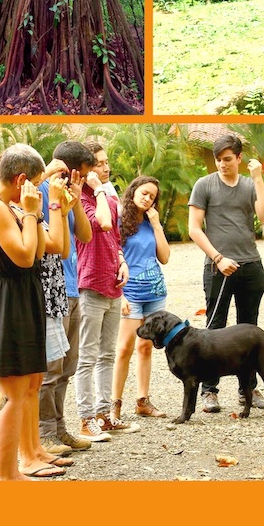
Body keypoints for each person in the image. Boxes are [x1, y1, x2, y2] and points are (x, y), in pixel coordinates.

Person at [0, 143, 66, 479]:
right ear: (20, 180)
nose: (38, 191)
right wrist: (32, 212)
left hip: (28, 299)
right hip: (9, 304)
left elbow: (48, 249)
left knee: (31, 384)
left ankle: (32, 452)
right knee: (12, 396)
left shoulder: (14, 207)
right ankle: (8, 474)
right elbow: (25, 257)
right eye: (36, 184)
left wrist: (46, 210)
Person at [188, 134, 264, 413]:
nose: (222, 164)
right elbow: (194, 228)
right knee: (214, 329)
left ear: (239, 158)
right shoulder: (204, 185)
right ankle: (209, 391)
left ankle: (247, 389)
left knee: (248, 331)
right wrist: (217, 257)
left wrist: (259, 178)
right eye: (218, 159)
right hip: (217, 267)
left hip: (251, 265)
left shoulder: (251, 185)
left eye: (227, 159)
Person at [37, 141, 95, 453]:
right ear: (69, 169)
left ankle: (59, 427)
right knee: (50, 366)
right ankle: (43, 432)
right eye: (81, 175)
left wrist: (75, 200)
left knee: (68, 365)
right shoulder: (38, 190)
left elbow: (84, 235)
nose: (83, 181)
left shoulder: (70, 194)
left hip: (72, 288)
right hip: (49, 290)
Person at [75, 141, 133, 438]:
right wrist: (97, 189)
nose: (106, 168)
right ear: (85, 170)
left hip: (113, 283)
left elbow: (115, 239)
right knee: (87, 355)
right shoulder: (81, 199)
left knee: (108, 354)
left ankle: (104, 413)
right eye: (99, 164)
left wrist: (122, 262)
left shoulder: (106, 197)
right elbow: (104, 224)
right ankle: (86, 419)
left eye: (107, 162)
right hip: (90, 283)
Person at [112, 176, 171, 422]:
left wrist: (157, 225)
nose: (147, 199)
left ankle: (142, 401)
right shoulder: (118, 219)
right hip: (131, 291)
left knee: (146, 347)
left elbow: (165, 257)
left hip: (155, 292)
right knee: (124, 348)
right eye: (144, 193)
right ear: (133, 190)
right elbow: (112, 256)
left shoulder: (151, 221)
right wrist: (121, 294)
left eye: (152, 197)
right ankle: (114, 404)